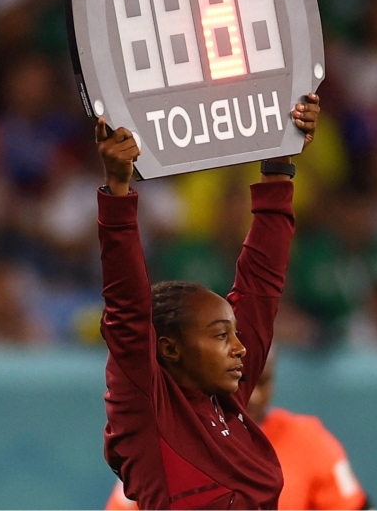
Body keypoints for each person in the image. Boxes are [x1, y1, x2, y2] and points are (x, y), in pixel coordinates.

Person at [97, 94, 319, 510]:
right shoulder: (146, 412)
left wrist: (278, 167)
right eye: (221, 335)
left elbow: (261, 285)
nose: (239, 347)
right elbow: (126, 307)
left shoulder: (229, 402)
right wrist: (117, 192)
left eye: (233, 333)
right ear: (169, 348)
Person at [105, 346, 373, 510]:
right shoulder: (163, 444)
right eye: (242, 381)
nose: (254, 397)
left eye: (264, 382)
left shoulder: (308, 440)